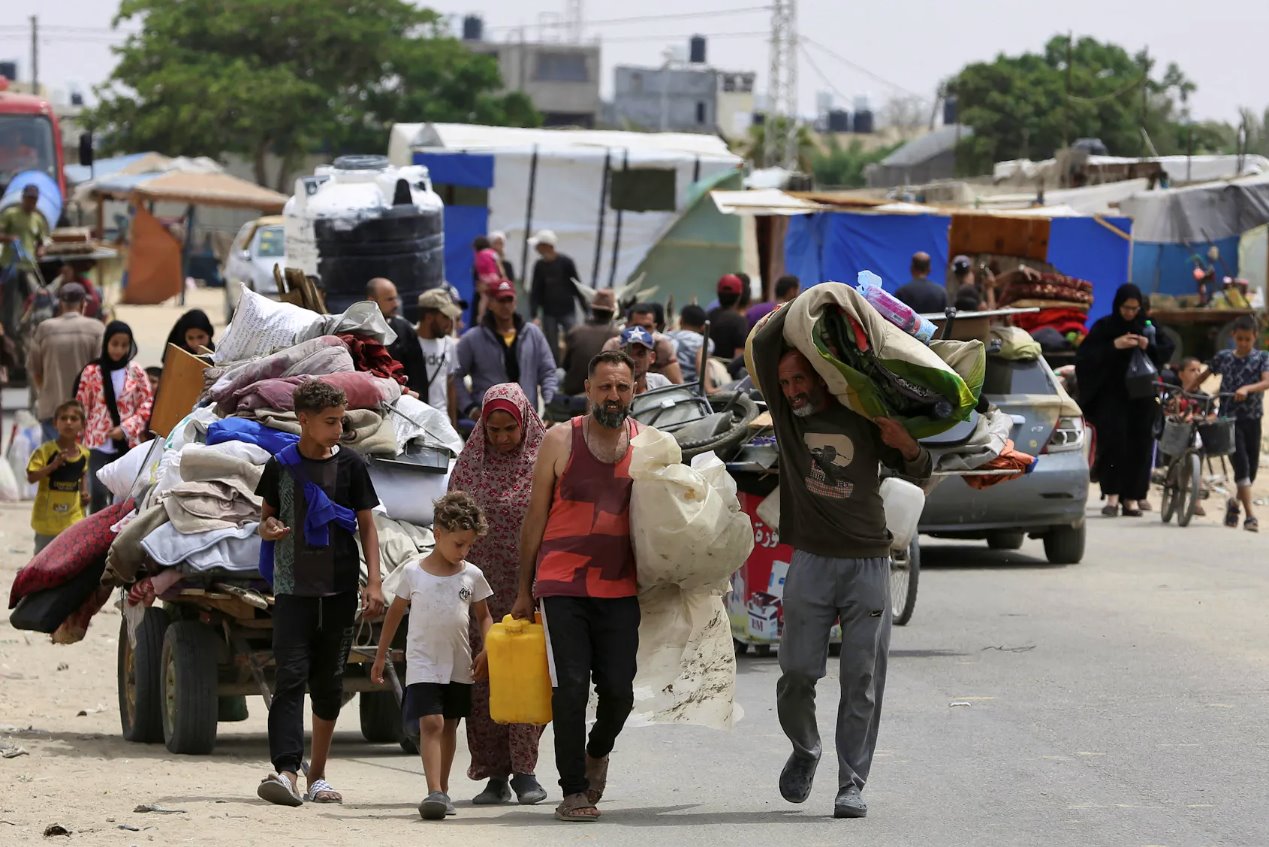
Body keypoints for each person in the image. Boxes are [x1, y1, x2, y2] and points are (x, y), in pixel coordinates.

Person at [752, 344, 931, 820]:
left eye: (800, 380)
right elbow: (762, 345)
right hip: (811, 561)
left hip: (867, 562)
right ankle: (805, 748)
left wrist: (906, 443)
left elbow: (922, 468)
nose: (792, 391)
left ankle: (851, 784)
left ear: (823, 377)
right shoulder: (788, 421)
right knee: (795, 673)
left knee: (862, 678)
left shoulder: (863, 415)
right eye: (785, 383)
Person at [511, 350, 645, 823]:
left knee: (619, 692)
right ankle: (573, 790)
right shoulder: (559, 440)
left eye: (622, 387)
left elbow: (669, 521)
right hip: (562, 581)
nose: (614, 395)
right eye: (605, 387)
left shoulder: (647, 445)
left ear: (635, 390)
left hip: (621, 585)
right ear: (588, 389)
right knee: (569, 687)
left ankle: (597, 750)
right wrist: (524, 590)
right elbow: (535, 519)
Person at [254, 380, 384, 807]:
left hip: (341, 590)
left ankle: (319, 776)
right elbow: (266, 521)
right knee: (290, 678)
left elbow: (367, 525)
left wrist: (376, 582)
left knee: (329, 683)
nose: (338, 428)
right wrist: (271, 530)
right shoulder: (281, 466)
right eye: (329, 422)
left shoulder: (351, 465)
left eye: (341, 419)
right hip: (292, 590)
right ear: (303, 421)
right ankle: (287, 771)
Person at [446, 384, 550, 806]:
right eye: (495, 429)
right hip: (480, 596)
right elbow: (451, 523)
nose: (504, 437)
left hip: (532, 589)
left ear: (525, 422)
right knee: (485, 682)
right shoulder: (469, 468)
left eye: (511, 428)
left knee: (525, 676)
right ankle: (493, 774)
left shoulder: (546, 462)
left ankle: (525, 770)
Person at [373, 491, 494, 820]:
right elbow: (395, 614)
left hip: (459, 663)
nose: (464, 551)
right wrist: (380, 656)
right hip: (423, 663)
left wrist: (489, 649)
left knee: (450, 726)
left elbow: (483, 615)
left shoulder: (472, 575)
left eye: (469, 545)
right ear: (438, 535)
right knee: (431, 722)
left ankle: (443, 790)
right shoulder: (413, 573)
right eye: (459, 544)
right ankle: (433, 791)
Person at [1075, 284, 1165, 518]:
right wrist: (1114, 346)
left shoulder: (1147, 326)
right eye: (1126, 308)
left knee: (1140, 445)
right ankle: (1113, 497)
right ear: (1118, 305)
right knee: (1114, 443)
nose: (1130, 313)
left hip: (1142, 398)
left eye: (1135, 309)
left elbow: (1166, 351)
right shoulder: (1105, 327)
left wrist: (1147, 345)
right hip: (1112, 397)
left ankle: (1132, 498)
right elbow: (1084, 359)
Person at [75, 321, 153, 513]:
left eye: (124, 345)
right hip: (97, 442)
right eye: (114, 344)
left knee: (124, 494)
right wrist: (77, 442)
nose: (118, 349)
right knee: (98, 493)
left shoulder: (136, 372)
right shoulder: (91, 372)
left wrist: (126, 429)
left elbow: (147, 403)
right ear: (106, 343)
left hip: (127, 443)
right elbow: (81, 406)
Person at [456, 280, 558, 420]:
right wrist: (470, 408)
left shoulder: (533, 334)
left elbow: (548, 371)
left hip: (526, 418)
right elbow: (455, 375)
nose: (506, 305)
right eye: (500, 300)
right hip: (490, 421)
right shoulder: (472, 339)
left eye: (509, 299)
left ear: (515, 302)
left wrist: (549, 403)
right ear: (490, 303)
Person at [1204, 315, 1269, 532]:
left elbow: (1267, 381)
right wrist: (1191, 390)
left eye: (1247, 340)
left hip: (1253, 418)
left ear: (1255, 337)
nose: (1243, 343)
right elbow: (1205, 374)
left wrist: (1248, 388)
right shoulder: (1223, 357)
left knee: (1250, 470)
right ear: (1233, 336)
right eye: (1239, 339)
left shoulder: (1262, 358)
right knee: (1240, 463)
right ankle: (1250, 517)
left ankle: (1234, 504)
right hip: (1228, 420)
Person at [28, 283, 104, 442]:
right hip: (84, 413)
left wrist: (46, 392)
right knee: (82, 463)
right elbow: (101, 372)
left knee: (53, 462)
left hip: (52, 411)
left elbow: (34, 369)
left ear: (61, 303)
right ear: (84, 303)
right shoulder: (97, 329)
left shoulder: (44, 328)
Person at [26, 400, 90, 555]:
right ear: (55, 423)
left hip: (73, 520)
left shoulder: (84, 453)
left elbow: (82, 474)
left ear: (83, 425)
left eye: (74, 419)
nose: (68, 422)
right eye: (63, 418)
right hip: (47, 522)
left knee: (70, 561)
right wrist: (53, 466)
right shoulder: (45, 451)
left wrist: (85, 493)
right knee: (42, 562)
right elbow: (31, 477)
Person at [397, 289, 463, 425]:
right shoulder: (406, 343)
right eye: (445, 317)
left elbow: (450, 386)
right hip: (413, 419)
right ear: (428, 317)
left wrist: (453, 425)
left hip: (442, 420)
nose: (449, 322)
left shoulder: (449, 344)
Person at [1, 184, 51, 352]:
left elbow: (42, 240)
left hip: (29, 267)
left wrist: (41, 249)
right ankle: (10, 336)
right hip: (12, 266)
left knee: (36, 298)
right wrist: (9, 238)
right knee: (11, 303)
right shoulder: (10, 214)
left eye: (34, 199)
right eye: (29, 198)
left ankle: (31, 331)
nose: (31, 202)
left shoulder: (37, 219)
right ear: (23, 198)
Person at [529, 230, 587, 365]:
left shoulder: (566, 263)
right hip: (549, 312)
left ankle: (573, 365)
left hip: (567, 310)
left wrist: (586, 309)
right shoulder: (539, 265)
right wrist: (534, 313)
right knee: (551, 344)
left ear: (546, 245)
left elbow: (576, 285)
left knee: (574, 339)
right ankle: (555, 369)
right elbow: (536, 290)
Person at [601, 304, 682, 384]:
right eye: (636, 326)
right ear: (626, 325)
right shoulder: (614, 345)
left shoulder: (662, 345)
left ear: (654, 327)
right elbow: (603, 380)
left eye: (647, 327)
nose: (641, 331)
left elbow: (678, 385)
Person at [561, 289, 619, 396]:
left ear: (592, 309)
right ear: (612, 312)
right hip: (601, 396)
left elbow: (565, 365)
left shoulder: (575, 332)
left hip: (573, 392)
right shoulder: (618, 336)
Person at [708, 274, 750, 361]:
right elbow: (739, 356)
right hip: (728, 371)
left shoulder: (708, 316)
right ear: (739, 296)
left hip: (707, 368)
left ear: (718, 293)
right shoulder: (739, 321)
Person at [668, 304, 712, 386]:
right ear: (703, 327)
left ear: (680, 321)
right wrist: (709, 389)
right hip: (690, 390)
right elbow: (701, 361)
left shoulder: (665, 336)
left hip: (661, 387)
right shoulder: (705, 341)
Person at [620, 326, 671, 394]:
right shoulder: (611, 387)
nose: (634, 359)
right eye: (628, 353)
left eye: (640, 354)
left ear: (652, 357)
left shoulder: (659, 383)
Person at [472, 236, 508, 328]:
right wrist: (503, 278)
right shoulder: (492, 253)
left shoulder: (478, 255)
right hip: (493, 277)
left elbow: (477, 270)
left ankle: (480, 316)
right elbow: (499, 266)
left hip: (483, 279)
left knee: (484, 298)